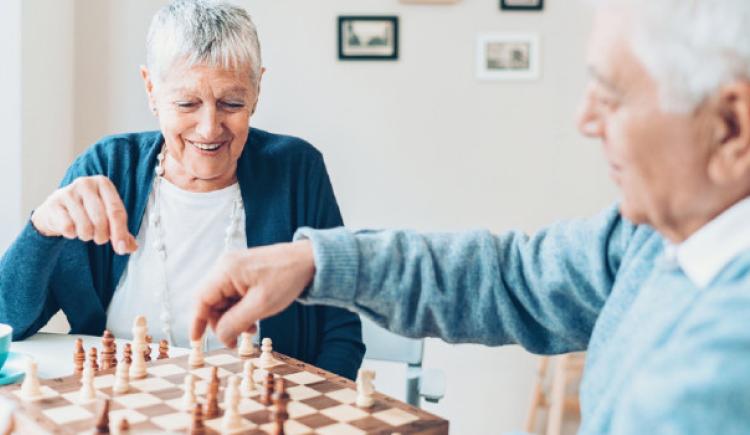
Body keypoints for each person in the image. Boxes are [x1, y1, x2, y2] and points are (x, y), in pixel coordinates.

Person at [191, 0, 750, 432]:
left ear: (732, 130)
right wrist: (314, 260)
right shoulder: (653, 236)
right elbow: (512, 278)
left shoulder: (723, 363)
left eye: (611, 97)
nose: (584, 120)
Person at [0, 0, 364, 380]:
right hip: (122, 411)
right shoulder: (107, 168)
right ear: (151, 90)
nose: (209, 128)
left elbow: (340, 332)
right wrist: (41, 230)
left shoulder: (297, 171)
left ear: (257, 91)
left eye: (232, 102)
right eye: (187, 103)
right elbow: (8, 321)